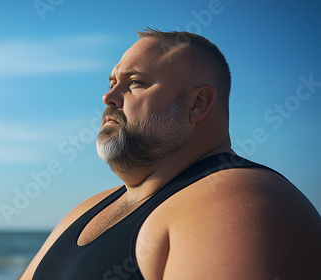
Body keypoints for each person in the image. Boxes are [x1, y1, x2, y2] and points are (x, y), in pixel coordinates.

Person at [19, 28, 321, 280]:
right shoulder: (86, 210)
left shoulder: (232, 199)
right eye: (112, 83)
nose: (108, 97)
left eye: (135, 83)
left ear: (198, 104)